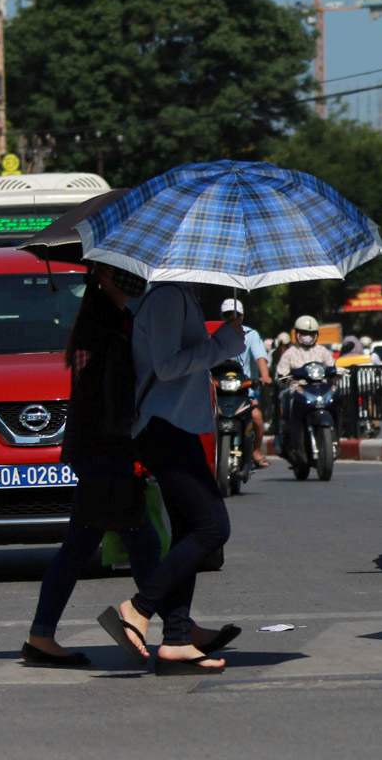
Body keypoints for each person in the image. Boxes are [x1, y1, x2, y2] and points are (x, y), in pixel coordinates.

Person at [24, 265, 235, 666]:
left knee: (122, 541)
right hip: (104, 451)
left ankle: (174, 628)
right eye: (119, 274)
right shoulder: (105, 327)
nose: (130, 279)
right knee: (126, 540)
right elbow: (102, 400)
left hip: (110, 449)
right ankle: (142, 613)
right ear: (103, 279)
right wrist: (124, 449)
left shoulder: (122, 318)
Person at [98, 281, 245, 675]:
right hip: (165, 427)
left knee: (187, 530)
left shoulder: (179, 295)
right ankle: (138, 608)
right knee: (213, 528)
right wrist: (222, 345)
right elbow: (166, 365)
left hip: (175, 426)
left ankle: (178, 637)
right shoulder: (167, 296)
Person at [220, 298, 271, 468]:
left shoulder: (251, 335)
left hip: (244, 387)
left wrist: (265, 376)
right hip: (220, 388)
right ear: (222, 316)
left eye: (237, 316)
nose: (233, 319)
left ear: (242, 317)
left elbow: (260, 357)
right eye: (228, 315)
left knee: (256, 417)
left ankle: (255, 450)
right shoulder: (216, 335)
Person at [275, 315, 336, 455]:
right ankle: (288, 434)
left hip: (320, 390)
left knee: (336, 398)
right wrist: (288, 379)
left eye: (310, 333)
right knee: (286, 399)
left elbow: (332, 368)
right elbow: (281, 374)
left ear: (316, 335)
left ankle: (340, 430)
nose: (307, 337)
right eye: (303, 333)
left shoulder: (323, 351)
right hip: (299, 391)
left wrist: (335, 373)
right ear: (297, 334)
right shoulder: (290, 353)